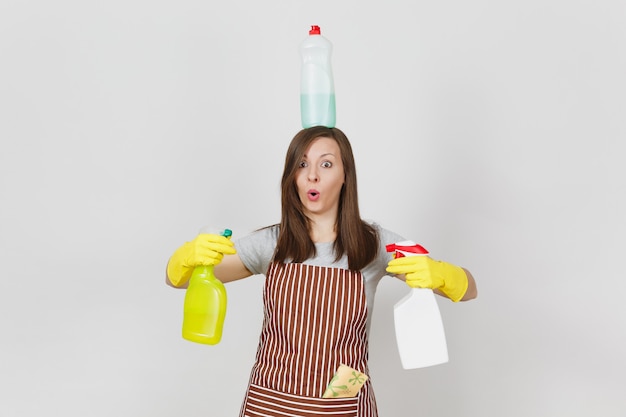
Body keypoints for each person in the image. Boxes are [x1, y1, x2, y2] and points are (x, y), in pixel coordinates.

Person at [166, 126, 477, 417]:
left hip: (341, 403)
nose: (312, 175)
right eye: (302, 165)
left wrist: (442, 274)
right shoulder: (273, 243)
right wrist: (185, 260)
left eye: (326, 164)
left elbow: (470, 290)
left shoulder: (374, 244)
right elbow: (183, 281)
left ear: (345, 176)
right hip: (271, 402)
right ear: (292, 177)